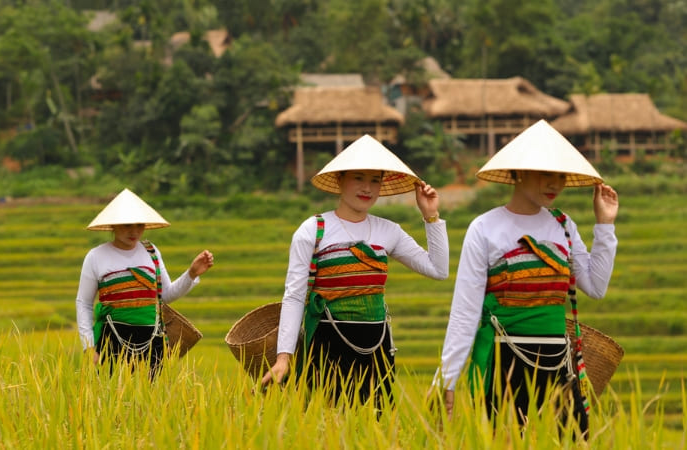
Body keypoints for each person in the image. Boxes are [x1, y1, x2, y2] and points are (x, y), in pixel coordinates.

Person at [435, 120, 619, 439]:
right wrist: (447, 380)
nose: (555, 184)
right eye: (545, 173)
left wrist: (605, 225)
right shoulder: (485, 228)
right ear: (518, 172)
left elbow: (596, 287)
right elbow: (465, 311)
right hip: (504, 361)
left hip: (558, 364)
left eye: (560, 175)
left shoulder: (563, 225)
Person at [261, 134, 450, 410]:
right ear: (339, 180)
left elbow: (438, 269)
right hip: (327, 343)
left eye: (375, 180)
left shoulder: (388, 230)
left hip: (377, 345)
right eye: (359, 178)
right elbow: (294, 296)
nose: (367, 188)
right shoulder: (313, 229)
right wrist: (283, 358)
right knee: (325, 424)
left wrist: (431, 216)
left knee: (375, 424)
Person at [75, 188, 214, 378]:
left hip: (151, 342)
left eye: (140, 225)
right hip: (113, 340)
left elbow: (165, 295)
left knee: (150, 400)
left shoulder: (151, 252)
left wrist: (191, 274)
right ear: (112, 225)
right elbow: (83, 303)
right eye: (127, 225)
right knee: (111, 397)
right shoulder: (96, 256)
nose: (134, 231)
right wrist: (89, 347)